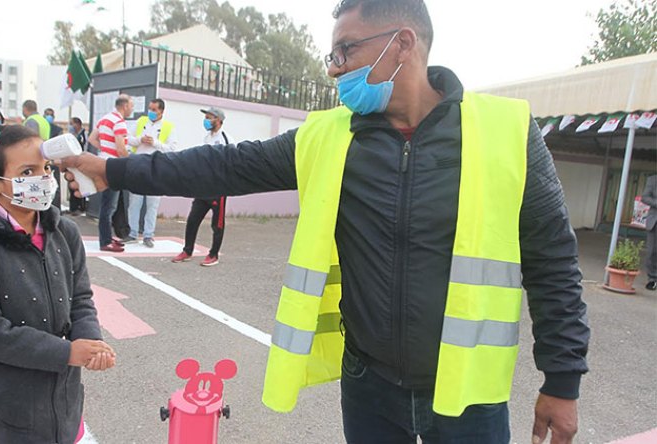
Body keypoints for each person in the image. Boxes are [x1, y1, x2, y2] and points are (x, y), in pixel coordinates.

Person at [62, 0, 590, 441]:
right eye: (332, 53)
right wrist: (114, 169)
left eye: (346, 50)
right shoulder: (331, 137)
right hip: (369, 388)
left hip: (467, 396)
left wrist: (562, 381)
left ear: (402, 43)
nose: (334, 66)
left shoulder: (506, 132)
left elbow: (553, 263)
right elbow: (226, 164)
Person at [0, 124, 116, 443]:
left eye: (46, 168)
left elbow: (81, 299)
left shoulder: (65, 233)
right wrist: (67, 353)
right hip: (4, 416)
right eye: (28, 171)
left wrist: (89, 343)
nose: (44, 179)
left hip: (64, 405)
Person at [172, 107, 231, 266]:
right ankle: (187, 250)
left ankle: (213, 255)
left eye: (209, 117)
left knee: (217, 224)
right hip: (202, 187)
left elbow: (229, 162)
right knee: (192, 219)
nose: (206, 120)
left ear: (218, 120)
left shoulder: (225, 138)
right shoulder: (207, 138)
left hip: (218, 189)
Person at [127, 98, 178, 248]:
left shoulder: (168, 127)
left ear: (161, 111)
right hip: (138, 164)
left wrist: (155, 143)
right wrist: (139, 140)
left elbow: (172, 148)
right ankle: (132, 232)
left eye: (154, 110)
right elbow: (128, 139)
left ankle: (148, 235)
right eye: (150, 109)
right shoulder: (141, 121)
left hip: (156, 167)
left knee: (152, 203)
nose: (151, 112)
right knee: (134, 202)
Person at [87, 94, 133, 252]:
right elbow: (121, 149)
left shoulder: (105, 118)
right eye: (131, 106)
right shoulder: (119, 123)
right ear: (125, 106)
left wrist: (104, 149)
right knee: (109, 206)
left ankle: (107, 235)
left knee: (109, 203)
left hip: (103, 162)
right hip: (114, 166)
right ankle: (105, 241)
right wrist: (130, 161)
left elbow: (91, 139)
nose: (132, 109)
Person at [67, 117, 88, 214]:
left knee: (80, 185)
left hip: (81, 164)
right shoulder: (72, 136)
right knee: (72, 185)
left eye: (72, 124)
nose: (71, 126)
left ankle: (80, 207)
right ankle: (73, 207)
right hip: (72, 164)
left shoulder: (84, 135)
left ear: (78, 124)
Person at [642, 175, 657, 290]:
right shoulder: (652, 179)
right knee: (652, 251)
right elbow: (645, 197)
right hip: (655, 221)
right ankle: (652, 278)